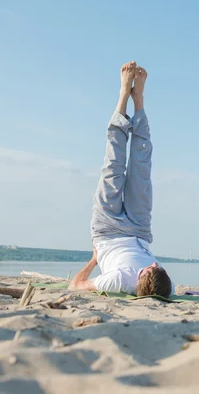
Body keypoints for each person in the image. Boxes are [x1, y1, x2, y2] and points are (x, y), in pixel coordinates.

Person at [68, 61, 173, 297]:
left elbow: (75, 286)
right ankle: (139, 101)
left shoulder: (117, 281)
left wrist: (94, 260)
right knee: (142, 165)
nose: (156, 264)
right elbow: (161, 283)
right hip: (139, 229)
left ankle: (123, 95)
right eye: (160, 267)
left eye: (152, 268)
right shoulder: (166, 286)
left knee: (114, 165)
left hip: (108, 228)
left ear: (141, 279)